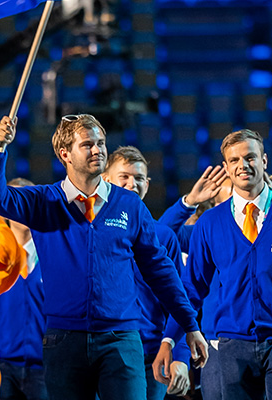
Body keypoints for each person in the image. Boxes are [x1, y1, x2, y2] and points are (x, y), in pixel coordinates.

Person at [0, 114, 208, 400]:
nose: (98, 150)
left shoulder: (129, 205)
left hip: (122, 341)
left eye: (101, 143)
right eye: (88, 144)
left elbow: (161, 271)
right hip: (63, 341)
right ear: (65, 153)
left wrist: (189, 325)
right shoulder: (43, 201)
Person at [154, 129, 272, 400]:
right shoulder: (209, 222)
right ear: (227, 168)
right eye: (234, 160)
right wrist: (169, 339)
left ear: (264, 160)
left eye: (250, 157)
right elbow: (190, 289)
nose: (243, 165)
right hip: (232, 347)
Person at [102, 146, 192, 398]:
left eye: (139, 178)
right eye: (125, 177)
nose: (133, 184)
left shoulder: (163, 236)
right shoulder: (91, 230)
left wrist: (180, 355)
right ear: (106, 179)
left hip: (151, 356)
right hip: (105, 352)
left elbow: (178, 299)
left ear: (148, 184)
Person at [0, 178, 48, 400]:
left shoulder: (54, 254)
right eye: (15, 201)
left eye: (28, 201)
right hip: (0, 367)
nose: (22, 208)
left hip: (44, 368)